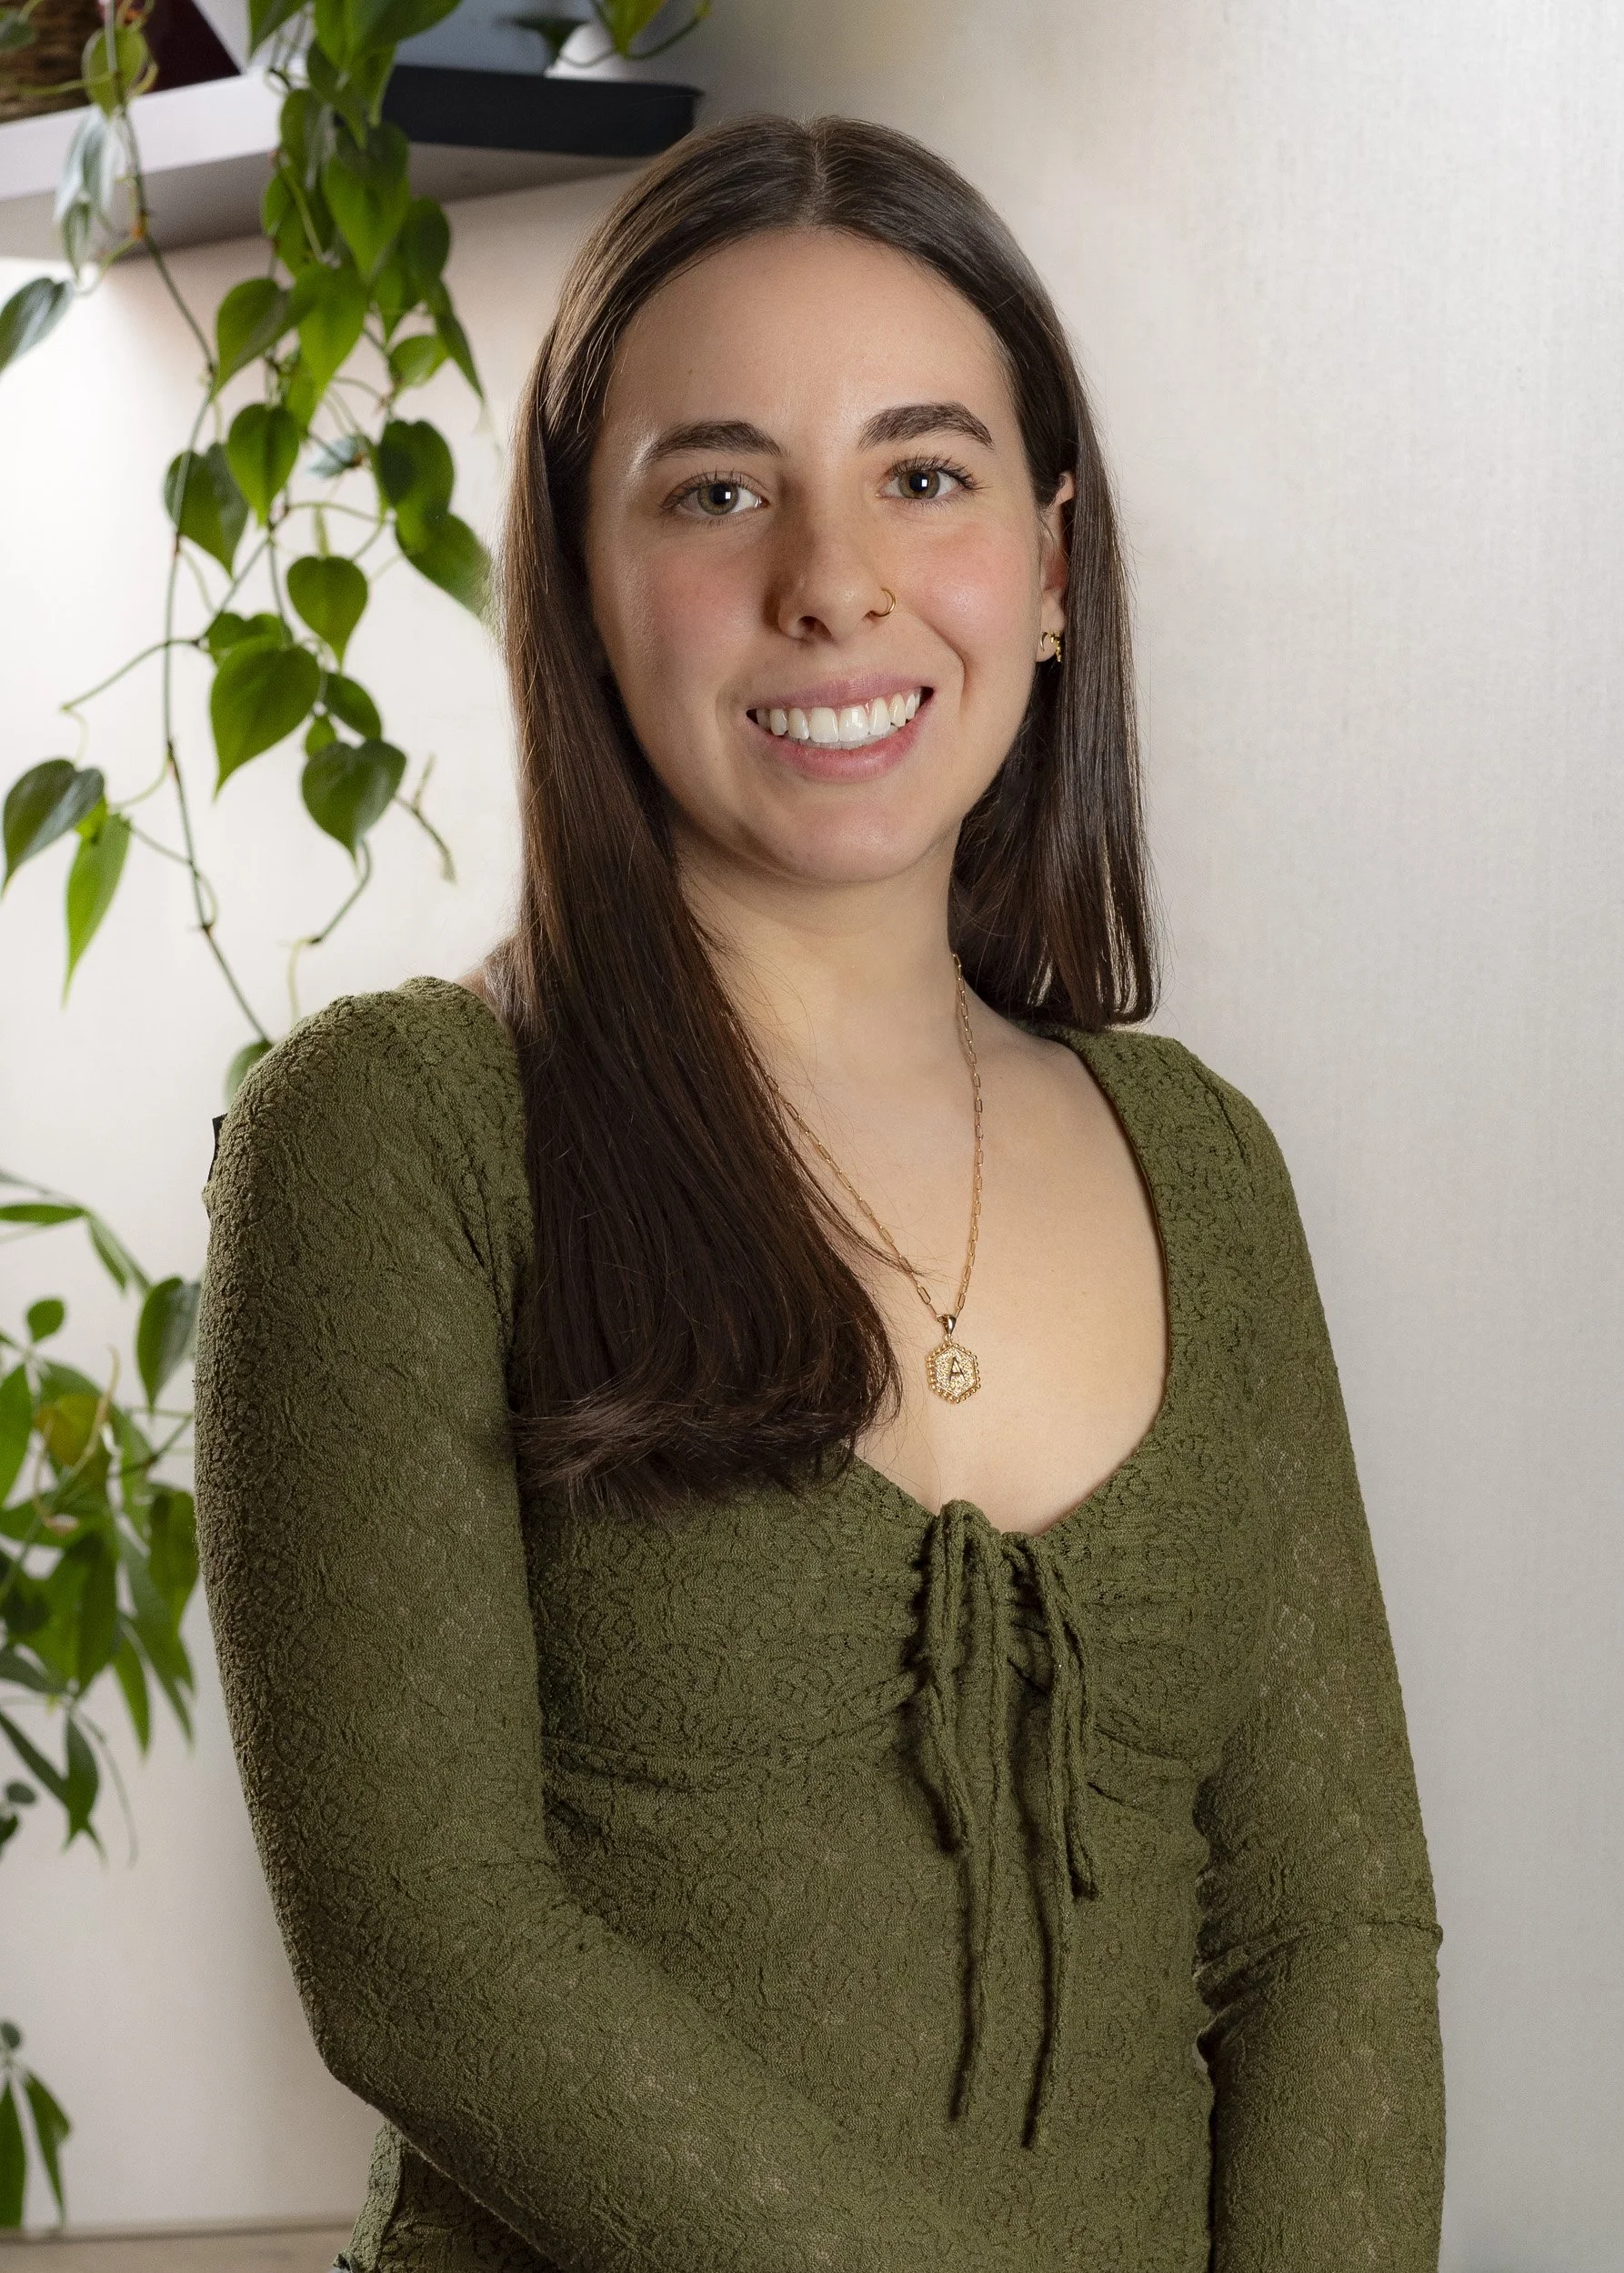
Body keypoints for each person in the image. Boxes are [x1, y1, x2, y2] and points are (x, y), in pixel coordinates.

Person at [194, 114, 1445, 2273]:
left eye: (923, 472)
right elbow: (426, 1955)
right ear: (578, 584)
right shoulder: (395, 1128)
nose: (833, 577)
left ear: (1050, 569)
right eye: (716, 488)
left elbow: (1324, 1928)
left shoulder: (1201, 1168)